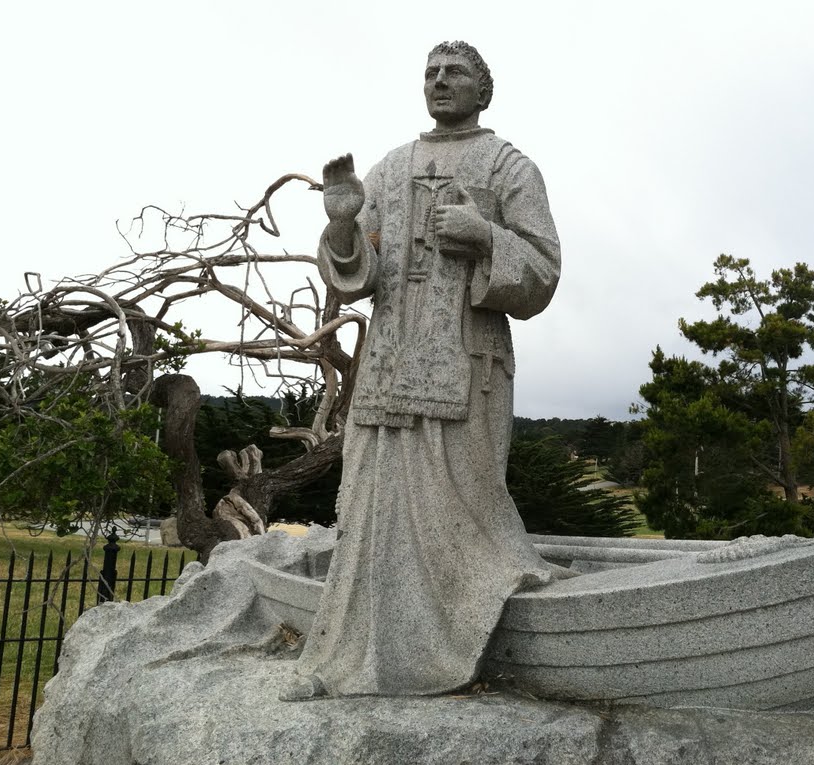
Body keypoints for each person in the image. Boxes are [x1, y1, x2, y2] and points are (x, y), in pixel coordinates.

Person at [282, 41, 563, 700]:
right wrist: (346, 228)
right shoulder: (391, 168)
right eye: (430, 72)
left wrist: (486, 235)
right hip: (387, 371)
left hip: (464, 368)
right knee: (370, 511)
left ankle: (443, 645)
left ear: (481, 89)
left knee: (459, 518)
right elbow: (358, 274)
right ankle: (347, 658)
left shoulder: (508, 167)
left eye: (454, 72)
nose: (439, 81)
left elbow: (544, 269)